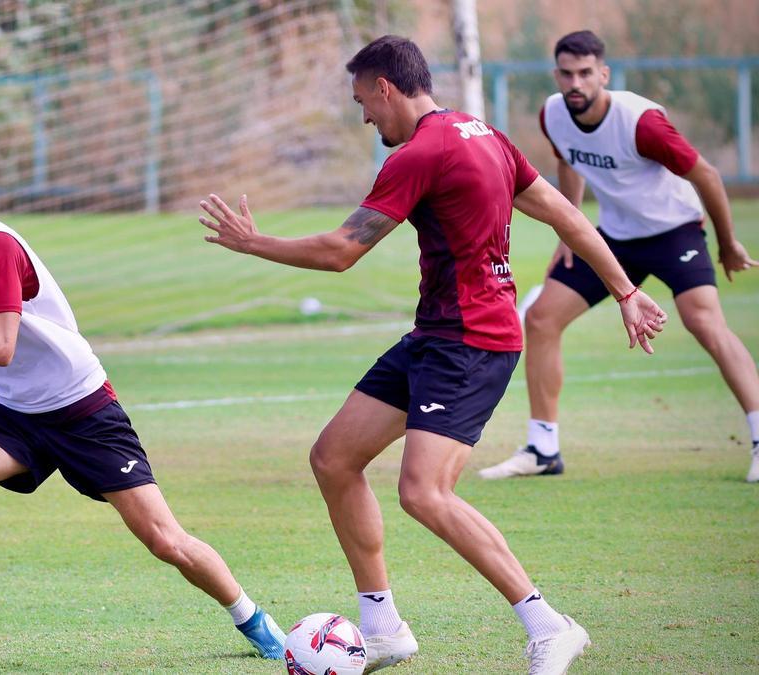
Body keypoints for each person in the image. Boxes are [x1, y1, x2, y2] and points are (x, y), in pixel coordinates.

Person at [198, 35, 667, 674]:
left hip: (471, 343)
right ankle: (382, 627)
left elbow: (341, 251)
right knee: (334, 458)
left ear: (386, 88)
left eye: (363, 100)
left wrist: (255, 244)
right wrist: (625, 290)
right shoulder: (483, 135)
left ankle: (548, 624)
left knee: (424, 492)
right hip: (436, 335)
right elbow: (565, 215)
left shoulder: (419, 153)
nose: (365, 116)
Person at [0, 152, 285, 663]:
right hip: (18, 415)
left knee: (166, 541)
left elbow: (1, 343)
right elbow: (2, 331)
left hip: (83, 411)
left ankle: (254, 619)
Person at [479, 30, 759, 483]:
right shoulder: (554, 114)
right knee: (542, 318)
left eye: (586, 73)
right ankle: (543, 447)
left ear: (603, 74)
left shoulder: (640, 122)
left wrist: (728, 244)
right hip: (613, 239)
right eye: (567, 74)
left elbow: (706, 174)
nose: (576, 83)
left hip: (675, 231)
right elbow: (568, 163)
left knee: (704, 323)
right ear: (556, 75)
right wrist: (566, 235)